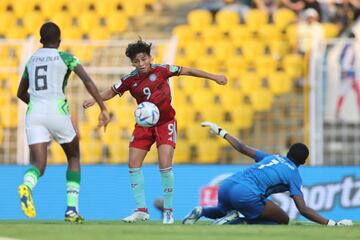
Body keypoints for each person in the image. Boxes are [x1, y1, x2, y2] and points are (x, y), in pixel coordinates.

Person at [82, 39, 227, 224]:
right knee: (133, 164)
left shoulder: (162, 70)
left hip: (165, 123)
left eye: (144, 59)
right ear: (133, 63)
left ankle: (168, 210)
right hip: (144, 125)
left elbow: (188, 70)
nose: (141, 64)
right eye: (136, 61)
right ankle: (141, 210)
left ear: (150, 57)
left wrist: (214, 77)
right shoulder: (130, 79)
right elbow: (111, 91)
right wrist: (94, 99)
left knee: (165, 165)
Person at [17, 22, 109, 223]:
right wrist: (102, 107)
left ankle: (27, 185)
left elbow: (20, 92)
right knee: (74, 156)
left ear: (41, 41)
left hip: (34, 113)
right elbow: (87, 81)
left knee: (39, 164)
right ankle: (71, 210)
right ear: (59, 41)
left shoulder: (31, 60)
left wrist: (37, 104)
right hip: (57, 110)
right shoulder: (66, 57)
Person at [182, 121, 353, 226]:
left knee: (221, 210)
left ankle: (202, 211)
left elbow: (243, 148)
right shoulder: (294, 174)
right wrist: (332, 224)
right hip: (245, 193)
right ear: (304, 161)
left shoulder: (272, 157)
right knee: (283, 219)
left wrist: (222, 132)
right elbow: (303, 209)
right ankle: (236, 221)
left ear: (288, 153)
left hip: (227, 185)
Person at [336, 31, 360, 120]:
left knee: (355, 93)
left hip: (350, 74)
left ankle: (338, 113)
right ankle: (337, 113)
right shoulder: (347, 48)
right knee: (343, 93)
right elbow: (343, 62)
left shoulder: (349, 48)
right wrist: (347, 71)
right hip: (348, 75)